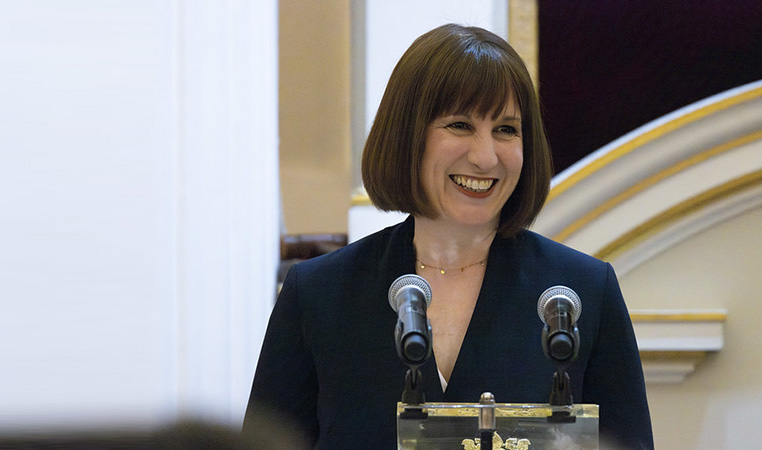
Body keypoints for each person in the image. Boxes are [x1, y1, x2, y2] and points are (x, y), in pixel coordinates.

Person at [243, 23, 653, 449]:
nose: (485, 156)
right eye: (459, 125)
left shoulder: (583, 292)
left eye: (506, 129)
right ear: (407, 136)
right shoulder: (318, 295)